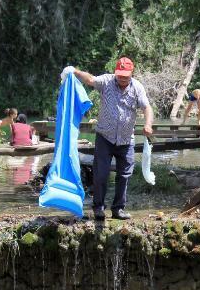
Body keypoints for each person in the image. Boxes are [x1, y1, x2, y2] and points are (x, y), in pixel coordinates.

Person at [61, 56, 154, 220]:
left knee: (124, 175)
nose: (123, 79)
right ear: (115, 72)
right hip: (105, 137)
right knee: (101, 174)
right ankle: (98, 207)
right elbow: (90, 79)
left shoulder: (137, 87)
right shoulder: (106, 82)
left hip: (126, 140)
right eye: (120, 75)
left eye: (126, 76)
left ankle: (118, 209)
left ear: (132, 73)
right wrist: (74, 71)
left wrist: (148, 124)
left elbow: (147, 108)